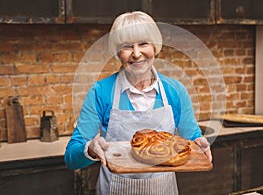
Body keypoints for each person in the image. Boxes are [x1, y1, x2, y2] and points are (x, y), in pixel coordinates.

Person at [64, 11, 212, 195]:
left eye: (143, 44)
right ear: (118, 53)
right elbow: (71, 158)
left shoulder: (175, 91)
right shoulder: (100, 92)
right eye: (127, 46)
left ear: (155, 47)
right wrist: (91, 151)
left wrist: (199, 144)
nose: (136, 54)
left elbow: (191, 140)